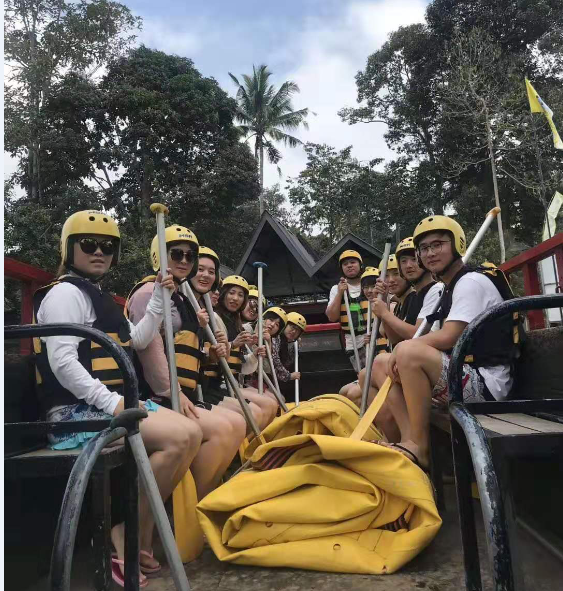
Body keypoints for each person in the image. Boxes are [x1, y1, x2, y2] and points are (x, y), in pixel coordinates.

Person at [34, 211, 201, 587]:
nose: (99, 252)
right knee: (179, 437)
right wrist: (112, 403)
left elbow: (137, 338)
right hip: (74, 413)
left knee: (190, 433)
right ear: (69, 248)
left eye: (108, 246)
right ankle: (125, 535)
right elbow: (63, 363)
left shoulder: (99, 296)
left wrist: (158, 296)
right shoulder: (64, 294)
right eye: (89, 244)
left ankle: (134, 532)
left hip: (102, 405)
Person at [376, 216, 519, 470]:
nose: (430, 253)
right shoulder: (448, 288)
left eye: (438, 244)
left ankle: (419, 446)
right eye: (424, 248)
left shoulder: (470, 282)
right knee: (380, 362)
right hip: (463, 374)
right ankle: (409, 439)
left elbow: (448, 336)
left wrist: (401, 349)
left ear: (457, 245)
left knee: (408, 352)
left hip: (488, 385)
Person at [127, 237, 247, 503]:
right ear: (159, 256)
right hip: (155, 395)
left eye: (189, 256)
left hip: (184, 390)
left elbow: (187, 351)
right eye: (177, 254)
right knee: (222, 429)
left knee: (236, 425)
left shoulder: (181, 298)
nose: (184, 261)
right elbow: (151, 351)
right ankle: (187, 508)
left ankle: (199, 502)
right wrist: (174, 392)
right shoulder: (148, 294)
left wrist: (212, 352)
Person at [213, 276, 278, 428]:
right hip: (217, 385)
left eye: (240, 295)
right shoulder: (214, 318)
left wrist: (255, 355)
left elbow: (242, 367)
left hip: (232, 383)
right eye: (231, 293)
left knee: (269, 405)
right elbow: (212, 357)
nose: (235, 298)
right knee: (257, 411)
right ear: (223, 294)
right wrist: (233, 344)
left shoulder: (237, 325)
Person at [325, 250, 368, 372]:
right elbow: (332, 317)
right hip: (354, 344)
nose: (349, 265)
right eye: (345, 264)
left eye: (353, 262)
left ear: (360, 265)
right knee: (364, 376)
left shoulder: (369, 284)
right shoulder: (336, 289)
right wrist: (340, 293)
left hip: (374, 339)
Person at [269, 311, 305, 399]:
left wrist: (296, 348)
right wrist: (289, 376)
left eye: (298, 330)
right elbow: (275, 359)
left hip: (273, 381)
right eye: (292, 327)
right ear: (285, 325)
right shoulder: (276, 337)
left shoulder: (285, 342)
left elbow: (287, 362)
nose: (294, 331)